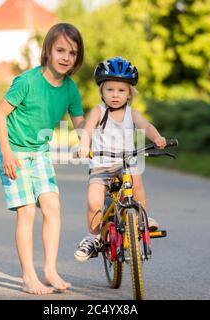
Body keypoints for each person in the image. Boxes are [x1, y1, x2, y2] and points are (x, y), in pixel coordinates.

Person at [0, 23, 85, 294]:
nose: (66, 57)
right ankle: (28, 277)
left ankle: (50, 270)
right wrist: (6, 153)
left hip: (40, 152)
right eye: (60, 50)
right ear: (48, 50)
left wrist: (91, 142)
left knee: (52, 206)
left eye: (73, 52)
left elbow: (79, 124)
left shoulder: (70, 89)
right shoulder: (27, 81)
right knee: (27, 212)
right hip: (14, 150)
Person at [74, 56, 167, 262]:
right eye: (110, 90)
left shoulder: (132, 114)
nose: (115, 95)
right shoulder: (99, 111)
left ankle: (143, 217)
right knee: (93, 201)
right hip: (102, 164)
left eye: (121, 90)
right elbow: (88, 129)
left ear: (129, 94)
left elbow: (146, 126)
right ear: (102, 91)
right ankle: (93, 237)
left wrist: (157, 137)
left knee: (137, 181)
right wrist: (83, 144)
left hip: (126, 162)